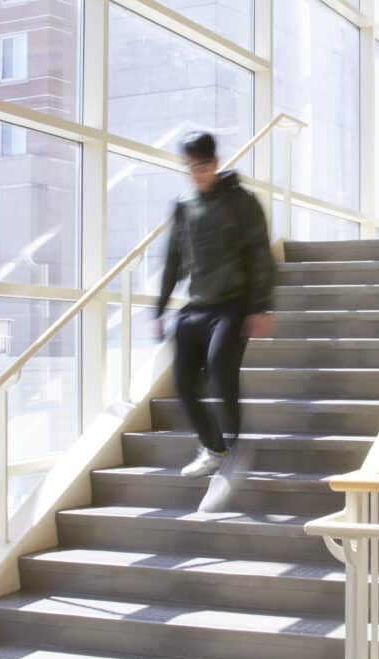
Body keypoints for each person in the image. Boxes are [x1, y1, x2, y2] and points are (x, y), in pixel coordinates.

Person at [155, 132, 275, 509]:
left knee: (221, 366)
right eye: (191, 168)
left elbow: (260, 256)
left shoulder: (242, 202)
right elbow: (173, 259)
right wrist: (160, 308)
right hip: (195, 306)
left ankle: (236, 446)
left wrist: (261, 307)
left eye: (204, 166)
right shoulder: (184, 206)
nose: (198, 174)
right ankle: (213, 446)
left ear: (216, 161)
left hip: (233, 305)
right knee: (184, 383)